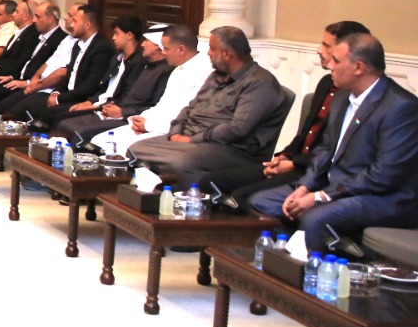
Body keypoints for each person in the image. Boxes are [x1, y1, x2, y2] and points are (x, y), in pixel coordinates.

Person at [249, 33, 418, 252]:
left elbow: (383, 175)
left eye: (336, 61)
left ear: (358, 67)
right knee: (261, 202)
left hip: (381, 197)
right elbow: (324, 150)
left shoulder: (400, 107)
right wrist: (304, 186)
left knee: (314, 219)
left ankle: (314, 268)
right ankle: (290, 258)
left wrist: (320, 197)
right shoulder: (341, 97)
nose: (329, 65)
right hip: (334, 187)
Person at [199, 21, 371, 200]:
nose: (319, 50)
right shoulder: (326, 83)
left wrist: (294, 163)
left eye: (326, 45)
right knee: (210, 182)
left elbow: (336, 151)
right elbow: (304, 134)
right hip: (293, 163)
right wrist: (284, 156)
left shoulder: (356, 96)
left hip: (315, 172)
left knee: (241, 196)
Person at [127, 26, 292, 186]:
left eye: (212, 49)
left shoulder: (260, 83)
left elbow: (237, 129)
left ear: (227, 54)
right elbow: (190, 107)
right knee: (135, 150)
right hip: (193, 139)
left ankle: (195, 199)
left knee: (181, 163)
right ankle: (152, 194)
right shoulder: (217, 76)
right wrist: (176, 132)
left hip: (231, 149)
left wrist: (191, 140)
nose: (208, 53)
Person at [50, 24, 174, 145]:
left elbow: (154, 106)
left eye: (147, 41)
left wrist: (122, 112)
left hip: (129, 118)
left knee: (81, 133)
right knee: (63, 123)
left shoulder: (165, 71)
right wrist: (110, 107)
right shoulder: (147, 65)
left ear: (158, 45)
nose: (142, 44)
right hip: (115, 111)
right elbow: (121, 93)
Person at [94, 25, 212, 152]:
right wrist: (141, 119)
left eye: (166, 48)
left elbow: (187, 116)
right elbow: (162, 105)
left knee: (123, 149)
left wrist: (148, 125)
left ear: (181, 49)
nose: (163, 52)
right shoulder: (177, 69)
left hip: (171, 132)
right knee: (99, 141)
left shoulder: (205, 73)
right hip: (153, 124)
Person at [0, 4, 116, 122]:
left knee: (39, 112)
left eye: (75, 21)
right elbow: (69, 76)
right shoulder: (78, 45)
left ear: (87, 25)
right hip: (65, 93)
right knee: (13, 106)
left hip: (81, 99)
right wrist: (56, 93)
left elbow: (89, 87)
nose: (71, 25)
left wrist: (59, 98)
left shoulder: (101, 49)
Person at [0, 1, 65, 106]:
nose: (34, 20)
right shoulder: (40, 37)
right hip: (19, 78)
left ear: (50, 19)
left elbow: (49, 70)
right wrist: (11, 77)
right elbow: (24, 63)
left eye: (38, 17)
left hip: (38, 86)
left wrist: (25, 82)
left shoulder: (59, 39)